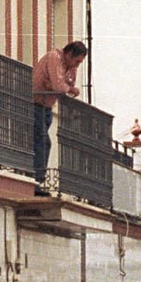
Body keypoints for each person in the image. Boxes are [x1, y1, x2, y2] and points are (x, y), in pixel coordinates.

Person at [31, 41, 87, 193]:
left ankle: (36, 179)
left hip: (47, 106)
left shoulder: (70, 68)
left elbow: (66, 85)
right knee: (42, 141)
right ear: (69, 54)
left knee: (41, 141)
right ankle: (35, 179)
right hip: (35, 104)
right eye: (76, 61)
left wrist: (64, 86)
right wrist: (65, 87)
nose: (77, 66)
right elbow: (60, 86)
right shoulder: (54, 57)